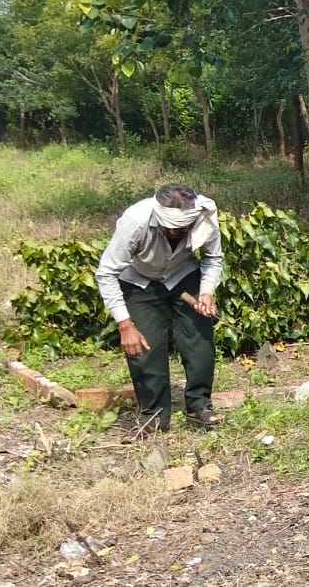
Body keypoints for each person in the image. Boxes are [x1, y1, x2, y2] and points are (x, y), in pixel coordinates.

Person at [94, 183, 224, 438]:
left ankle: (199, 406)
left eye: (182, 229)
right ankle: (153, 416)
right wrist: (125, 324)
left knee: (199, 341)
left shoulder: (204, 215)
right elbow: (106, 273)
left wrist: (207, 292)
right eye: (170, 228)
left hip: (183, 274)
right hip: (139, 280)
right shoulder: (135, 221)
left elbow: (213, 258)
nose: (175, 232)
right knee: (144, 348)